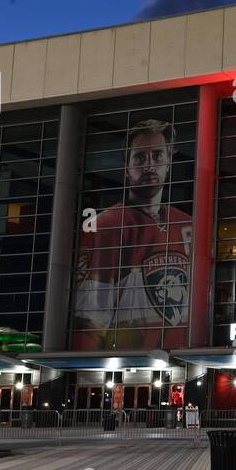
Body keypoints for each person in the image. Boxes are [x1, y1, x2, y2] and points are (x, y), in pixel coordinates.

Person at [73, 119, 193, 351]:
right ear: (126, 167)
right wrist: (89, 382)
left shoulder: (188, 224)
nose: (149, 166)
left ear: (169, 162)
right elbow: (89, 321)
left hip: (182, 364)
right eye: (140, 158)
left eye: (157, 155)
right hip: (129, 369)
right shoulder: (106, 226)